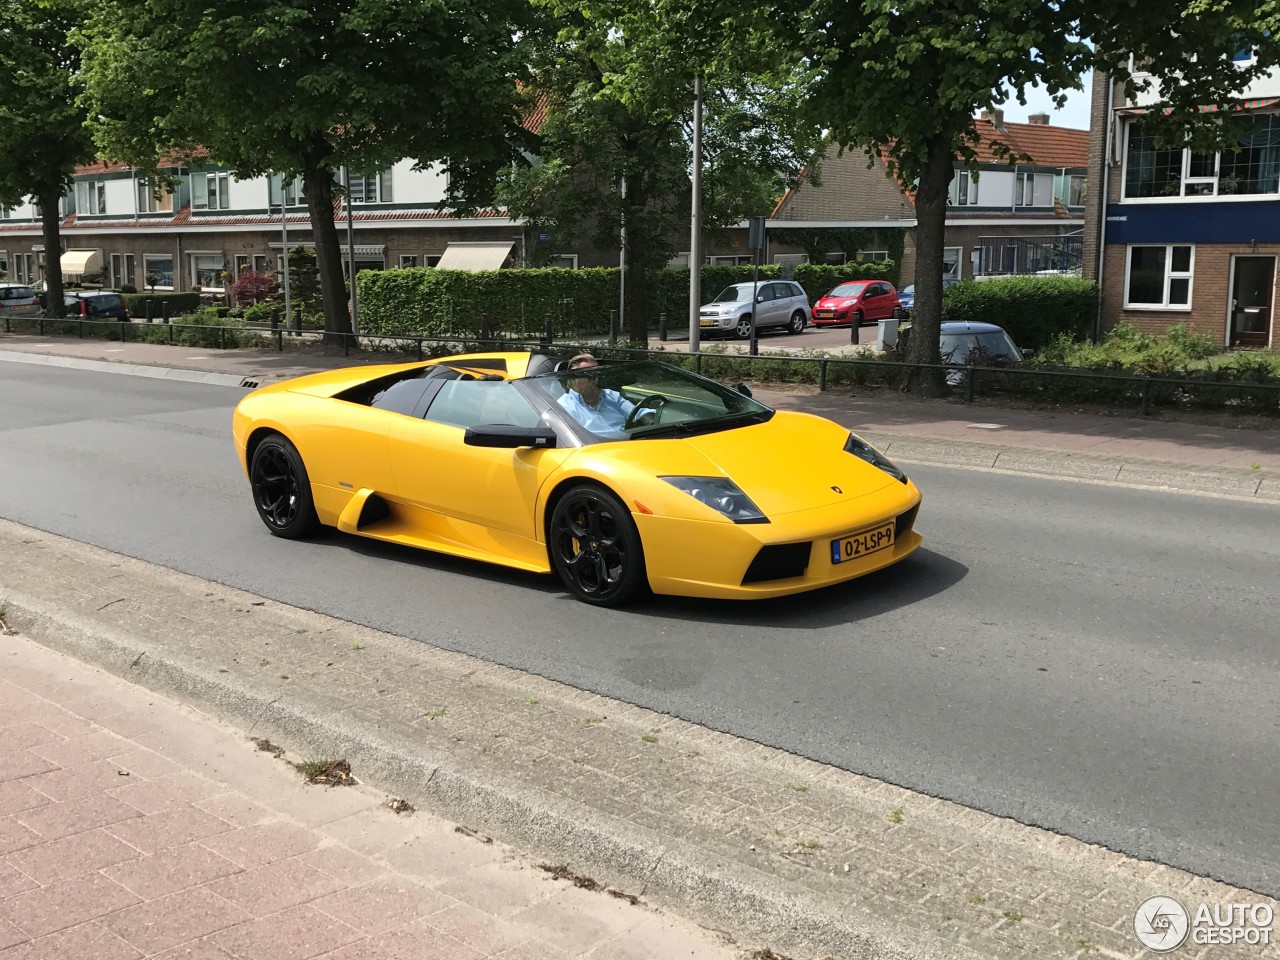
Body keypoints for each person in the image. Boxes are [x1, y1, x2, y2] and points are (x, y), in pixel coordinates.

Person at [556, 353, 635, 435]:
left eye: (597, 374)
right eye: (589, 376)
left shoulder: (612, 396)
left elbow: (640, 414)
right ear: (573, 379)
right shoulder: (564, 406)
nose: (595, 380)